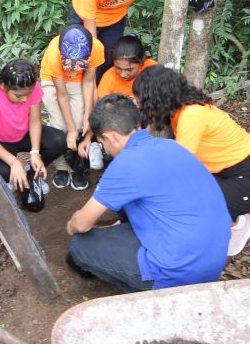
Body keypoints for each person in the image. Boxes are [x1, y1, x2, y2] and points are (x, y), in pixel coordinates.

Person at [66, 94, 231, 292]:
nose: (106, 150)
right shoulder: (171, 145)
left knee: (79, 245)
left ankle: (149, 293)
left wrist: (71, 226)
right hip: (213, 260)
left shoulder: (125, 164)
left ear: (110, 137)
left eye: (102, 143)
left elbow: (82, 224)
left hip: (177, 270)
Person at [133, 66, 250, 257]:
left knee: (188, 199)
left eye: (141, 100)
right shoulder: (181, 110)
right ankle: (232, 219)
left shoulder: (191, 115)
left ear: (157, 98)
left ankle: (237, 225)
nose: (138, 104)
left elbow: (179, 166)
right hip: (229, 173)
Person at [70, 0, 172, 82]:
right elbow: (92, 36)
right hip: (85, 18)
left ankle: (105, 90)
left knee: (109, 60)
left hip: (115, 20)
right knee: (86, 60)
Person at [0, 59, 66, 196]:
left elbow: (35, 121)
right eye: (18, 96)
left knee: (59, 140)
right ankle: (14, 175)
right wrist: (14, 162)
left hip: (25, 134)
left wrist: (35, 152)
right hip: (1, 142)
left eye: (28, 94)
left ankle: (33, 173)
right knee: (2, 173)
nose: (25, 99)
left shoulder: (32, 88)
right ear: (4, 86)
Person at [38, 24, 105, 191]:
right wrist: (71, 129)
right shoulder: (54, 54)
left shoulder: (96, 48)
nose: (74, 67)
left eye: (79, 63)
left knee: (80, 123)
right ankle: (62, 168)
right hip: (53, 81)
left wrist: (87, 114)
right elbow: (62, 95)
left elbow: (89, 82)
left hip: (79, 81)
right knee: (60, 127)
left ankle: (76, 167)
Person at [96, 34, 158, 99]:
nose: (123, 74)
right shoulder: (108, 78)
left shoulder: (153, 70)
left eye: (129, 69)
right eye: (118, 68)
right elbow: (103, 103)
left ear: (142, 61)